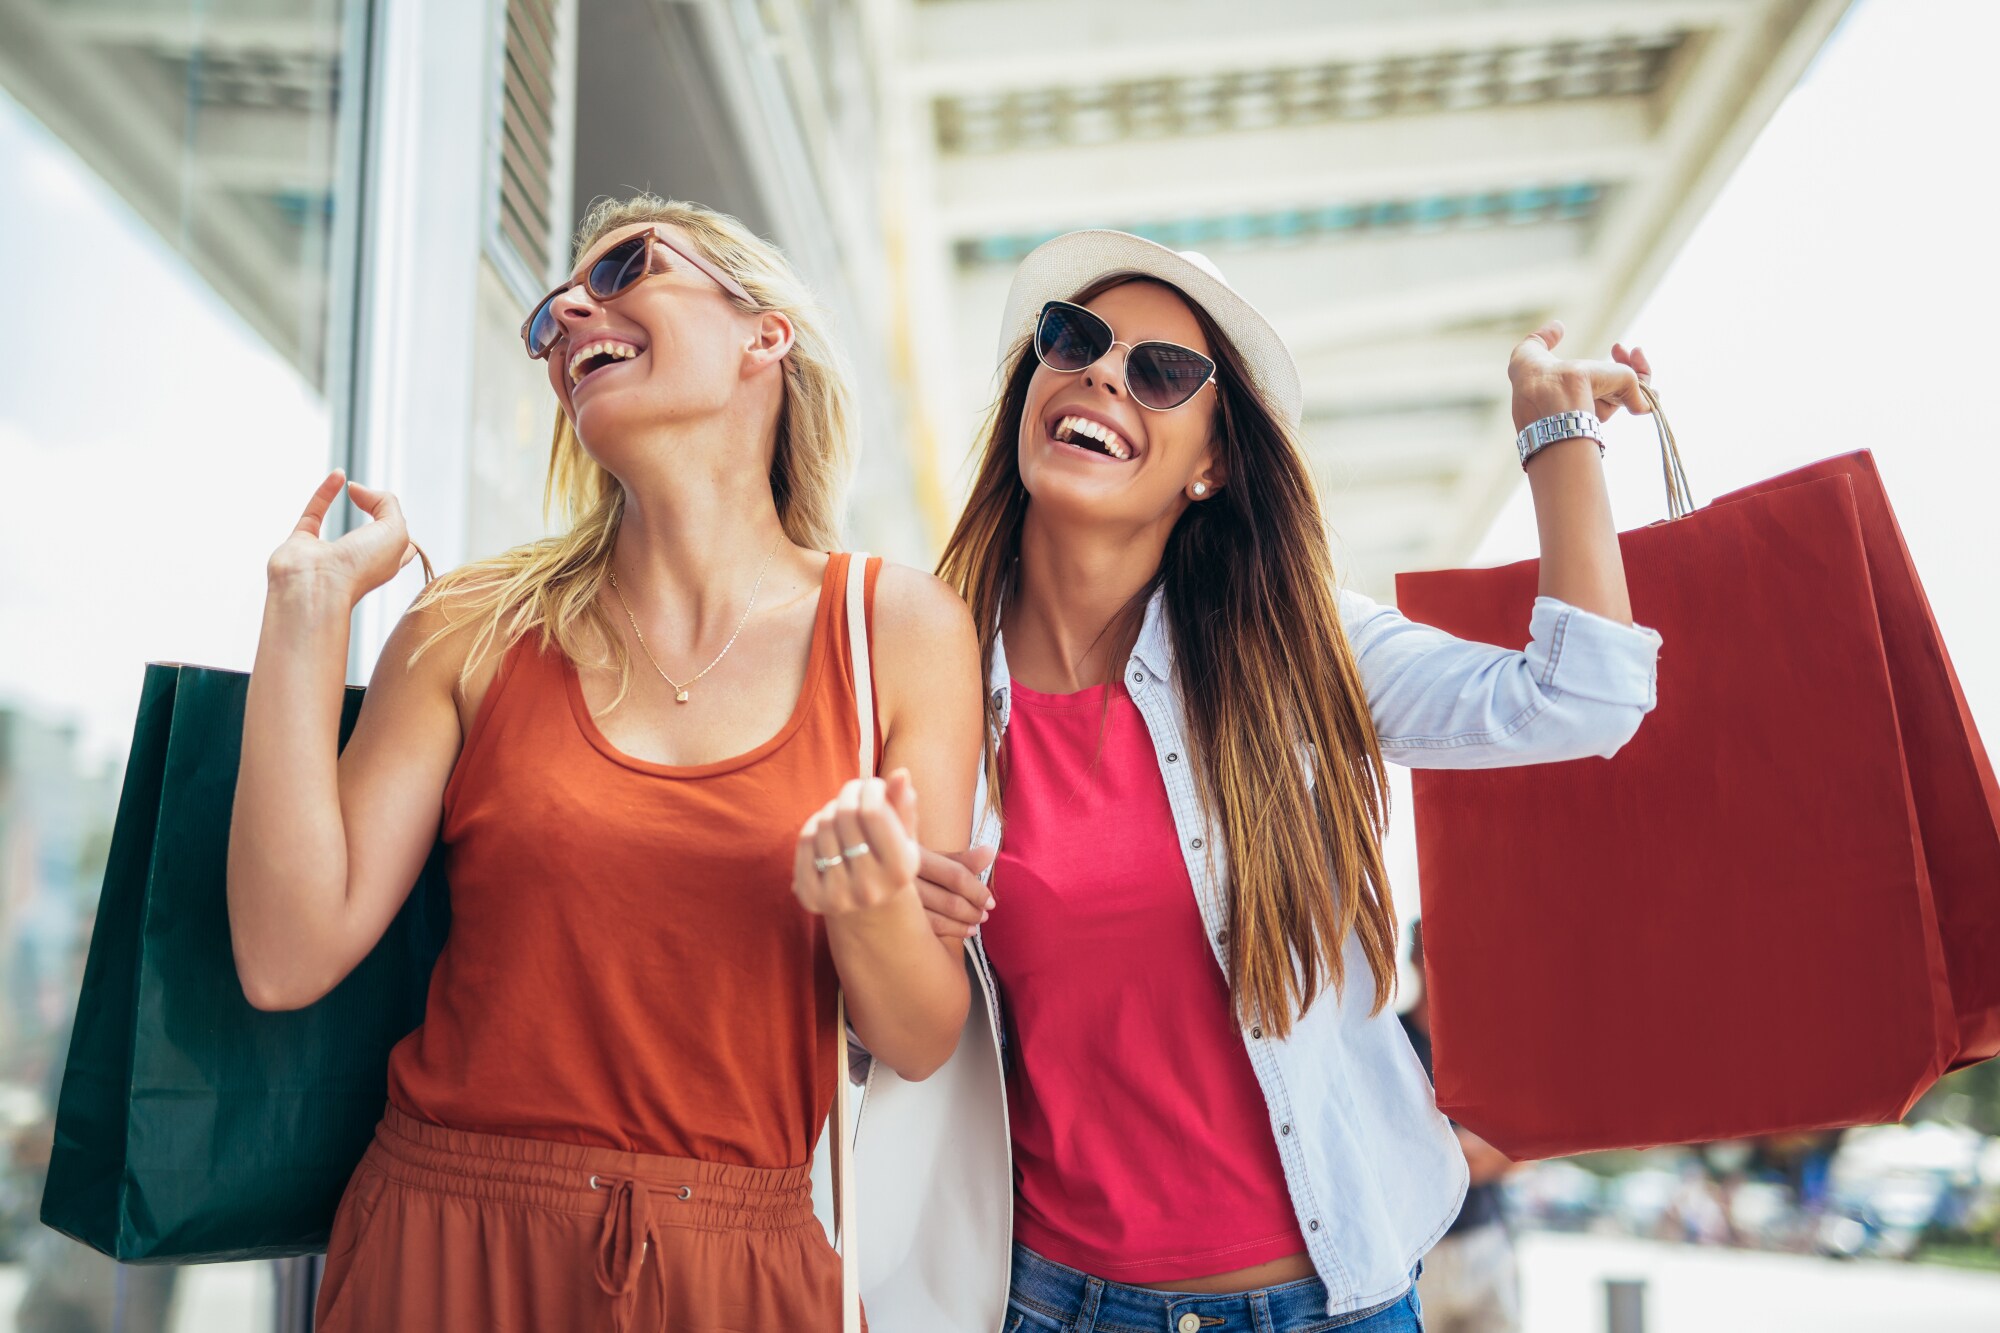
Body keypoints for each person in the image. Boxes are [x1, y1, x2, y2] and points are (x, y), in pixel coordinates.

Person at [225, 195, 981, 1331]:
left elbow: (917, 1040)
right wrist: (307, 607)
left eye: (625, 268)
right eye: (549, 317)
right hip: (444, 1251)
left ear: (761, 335)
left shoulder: (900, 632)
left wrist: (870, 905)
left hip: (736, 1272)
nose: (573, 308)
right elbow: (285, 955)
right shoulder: (472, 622)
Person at [907, 229, 1664, 1333]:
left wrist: (1555, 436)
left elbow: (1583, 697)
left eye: (1163, 372)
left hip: (1331, 1307)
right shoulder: (924, 677)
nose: (1103, 373)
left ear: (1211, 462)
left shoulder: (1298, 651)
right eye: (1073, 340)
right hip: (1049, 1306)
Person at [1400, 919, 1522, 1333]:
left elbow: (1523, 1149)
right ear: (1417, 961)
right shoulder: (1392, 1044)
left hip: (1486, 1241)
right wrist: (1478, 1151)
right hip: (1419, 1254)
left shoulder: (1484, 1047)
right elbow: (1400, 1158)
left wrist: (1446, 1150)